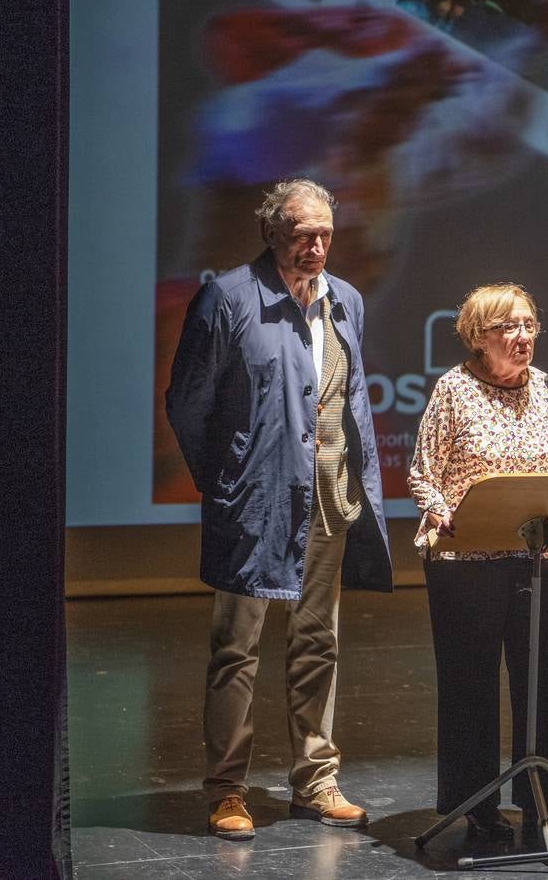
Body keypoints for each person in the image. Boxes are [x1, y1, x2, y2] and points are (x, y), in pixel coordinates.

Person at [165, 178, 393, 840]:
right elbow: (188, 401)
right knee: (237, 646)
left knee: (319, 640)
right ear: (270, 233)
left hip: (329, 495)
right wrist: (226, 477)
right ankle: (228, 789)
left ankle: (315, 780)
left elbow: (348, 404)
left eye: (324, 234)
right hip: (255, 499)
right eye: (302, 234)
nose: (316, 246)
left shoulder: (345, 300)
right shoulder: (229, 297)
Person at [407, 283, 548, 844]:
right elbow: (421, 475)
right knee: (471, 686)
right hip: (465, 562)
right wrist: (443, 514)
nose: (523, 337)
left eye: (529, 325)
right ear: (480, 338)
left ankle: (542, 800)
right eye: (508, 327)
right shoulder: (453, 390)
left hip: (535, 561)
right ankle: (475, 803)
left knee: (544, 685)